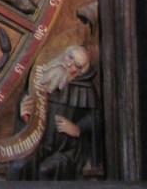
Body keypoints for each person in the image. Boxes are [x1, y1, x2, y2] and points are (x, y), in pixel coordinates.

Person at [6, 45, 101, 179]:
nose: (69, 64)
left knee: (46, 169)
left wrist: (77, 129)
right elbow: (27, 111)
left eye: (77, 65)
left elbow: (96, 118)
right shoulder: (44, 77)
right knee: (18, 166)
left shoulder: (85, 88)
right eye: (70, 57)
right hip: (40, 144)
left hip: (66, 149)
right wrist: (24, 115)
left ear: (80, 72)